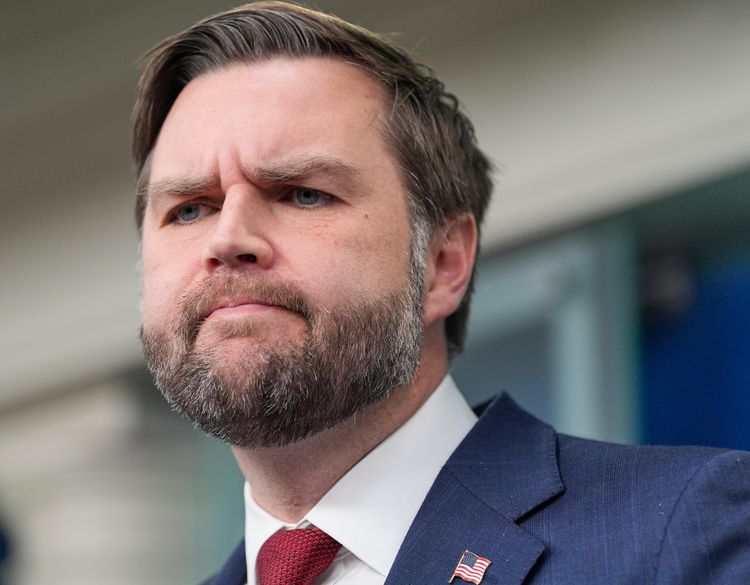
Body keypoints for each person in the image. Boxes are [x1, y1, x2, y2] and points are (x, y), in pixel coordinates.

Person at [133, 3, 750, 584]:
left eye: (302, 193)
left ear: (443, 261)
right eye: (189, 209)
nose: (228, 238)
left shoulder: (685, 533)